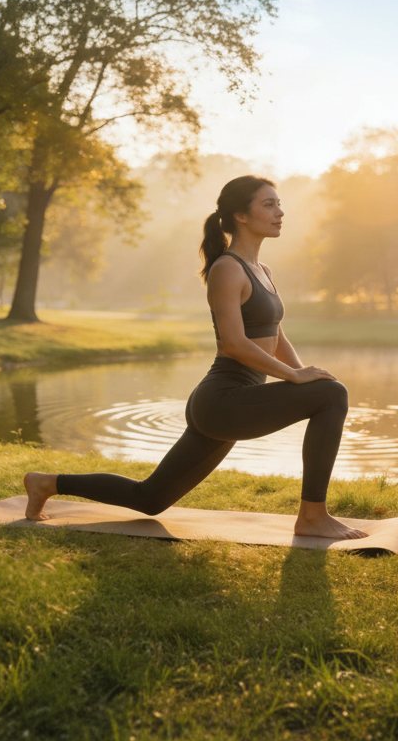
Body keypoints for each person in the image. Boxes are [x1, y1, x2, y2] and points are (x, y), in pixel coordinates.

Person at [23, 175, 366, 540]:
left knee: (151, 498)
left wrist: (301, 372)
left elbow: (274, 333)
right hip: (224, 402)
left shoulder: (262, 270)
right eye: (269, 204)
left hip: (235, 402)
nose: (280, 212)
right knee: (334, 395)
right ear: (241, 216)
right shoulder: (227, 269)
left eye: (279, 204)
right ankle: (312, 516)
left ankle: (47, 483)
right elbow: (233, 344)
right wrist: (294, 379)